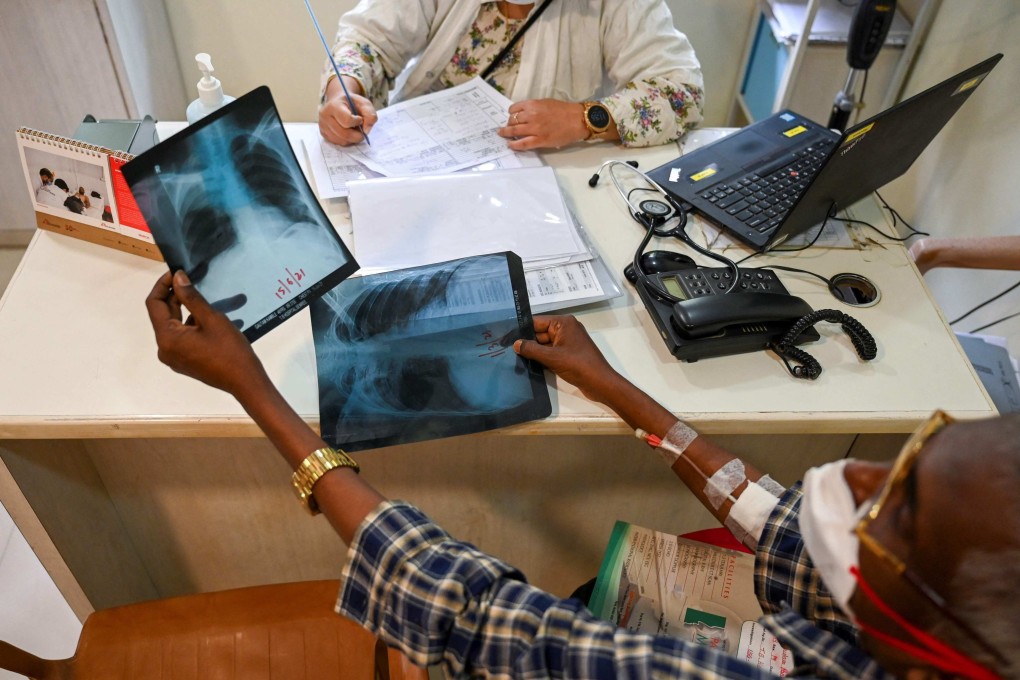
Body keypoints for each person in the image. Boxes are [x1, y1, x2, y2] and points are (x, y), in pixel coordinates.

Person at [146, 271, 1017, 679]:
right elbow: (789, 532)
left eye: (896, 509)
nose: (860, 475)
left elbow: (475, 614)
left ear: (933, 633)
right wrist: (621, 392)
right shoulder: (952, 643)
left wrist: (254, 391)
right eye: (905, 459)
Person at [318, 0, 704, 150]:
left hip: (535, 176)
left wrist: (582, 118)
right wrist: (344, 90)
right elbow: (367, 38)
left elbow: (681, 92)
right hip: (420, 158)